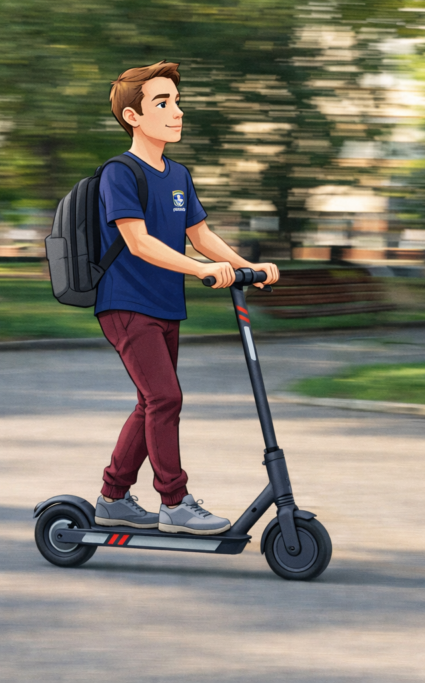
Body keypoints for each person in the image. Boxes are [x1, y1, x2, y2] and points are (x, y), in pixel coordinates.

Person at [91, 60, 279, 535]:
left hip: (164, 304)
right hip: (126, 303)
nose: (176, 111)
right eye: (162, 102)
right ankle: (174, 502)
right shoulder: (120, 172)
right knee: (165, 398)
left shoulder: (178, 174)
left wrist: (244, 268)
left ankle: (112, 496)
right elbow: (138, 241)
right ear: (133, 117)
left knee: (151, 401)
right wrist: (199, 270)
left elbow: (200, 234)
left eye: (176, 101)